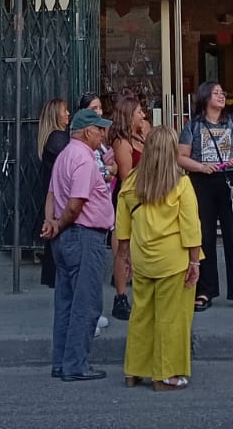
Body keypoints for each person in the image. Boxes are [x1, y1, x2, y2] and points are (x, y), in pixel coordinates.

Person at [117, 125, 201, 390]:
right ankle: (166, 374)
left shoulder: (131, 182)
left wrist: (124, 256)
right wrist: (195, 262)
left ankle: (134, 370)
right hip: (173, 260)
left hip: (142, 257)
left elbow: (122, 227)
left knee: (141, 314)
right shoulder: (180, 183)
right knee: (171, 318)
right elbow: (191, 228)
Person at [41, 107, 116, 382]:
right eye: (99, 130)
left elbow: (51, 194)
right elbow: (76, 204)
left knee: (65, 302)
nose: (102, 134)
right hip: (84, 236)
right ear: (87, 132)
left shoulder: (65, 155)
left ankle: (61, 361)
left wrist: (51, 222)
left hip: (65, 238)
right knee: (86, 303)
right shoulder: (84, 159)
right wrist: (60, 224)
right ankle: (75, 364)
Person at [177, 81, 233, 312]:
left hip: (230, 181)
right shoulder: (193, 125)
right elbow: (181, 156)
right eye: (216, 93)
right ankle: (204, 290)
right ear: (205, 97)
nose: (221, 96)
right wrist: (201, 167)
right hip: (202, 182)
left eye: (222, 92)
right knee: (204, 237)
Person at [107, 92, 148, 321]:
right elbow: (126, 178)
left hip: (144, 197)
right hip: (128, 200)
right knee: (124, 250)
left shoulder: (141, 136)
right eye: (139, 112)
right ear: (129, 115)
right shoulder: (122, 143)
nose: (143, 115)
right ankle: (121, 297)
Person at [37, 97, 71, 290]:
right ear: (55, 115)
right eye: (64, 111)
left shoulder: (52, 138)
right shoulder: (58, 139)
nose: (68, 114)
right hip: (59, 198)